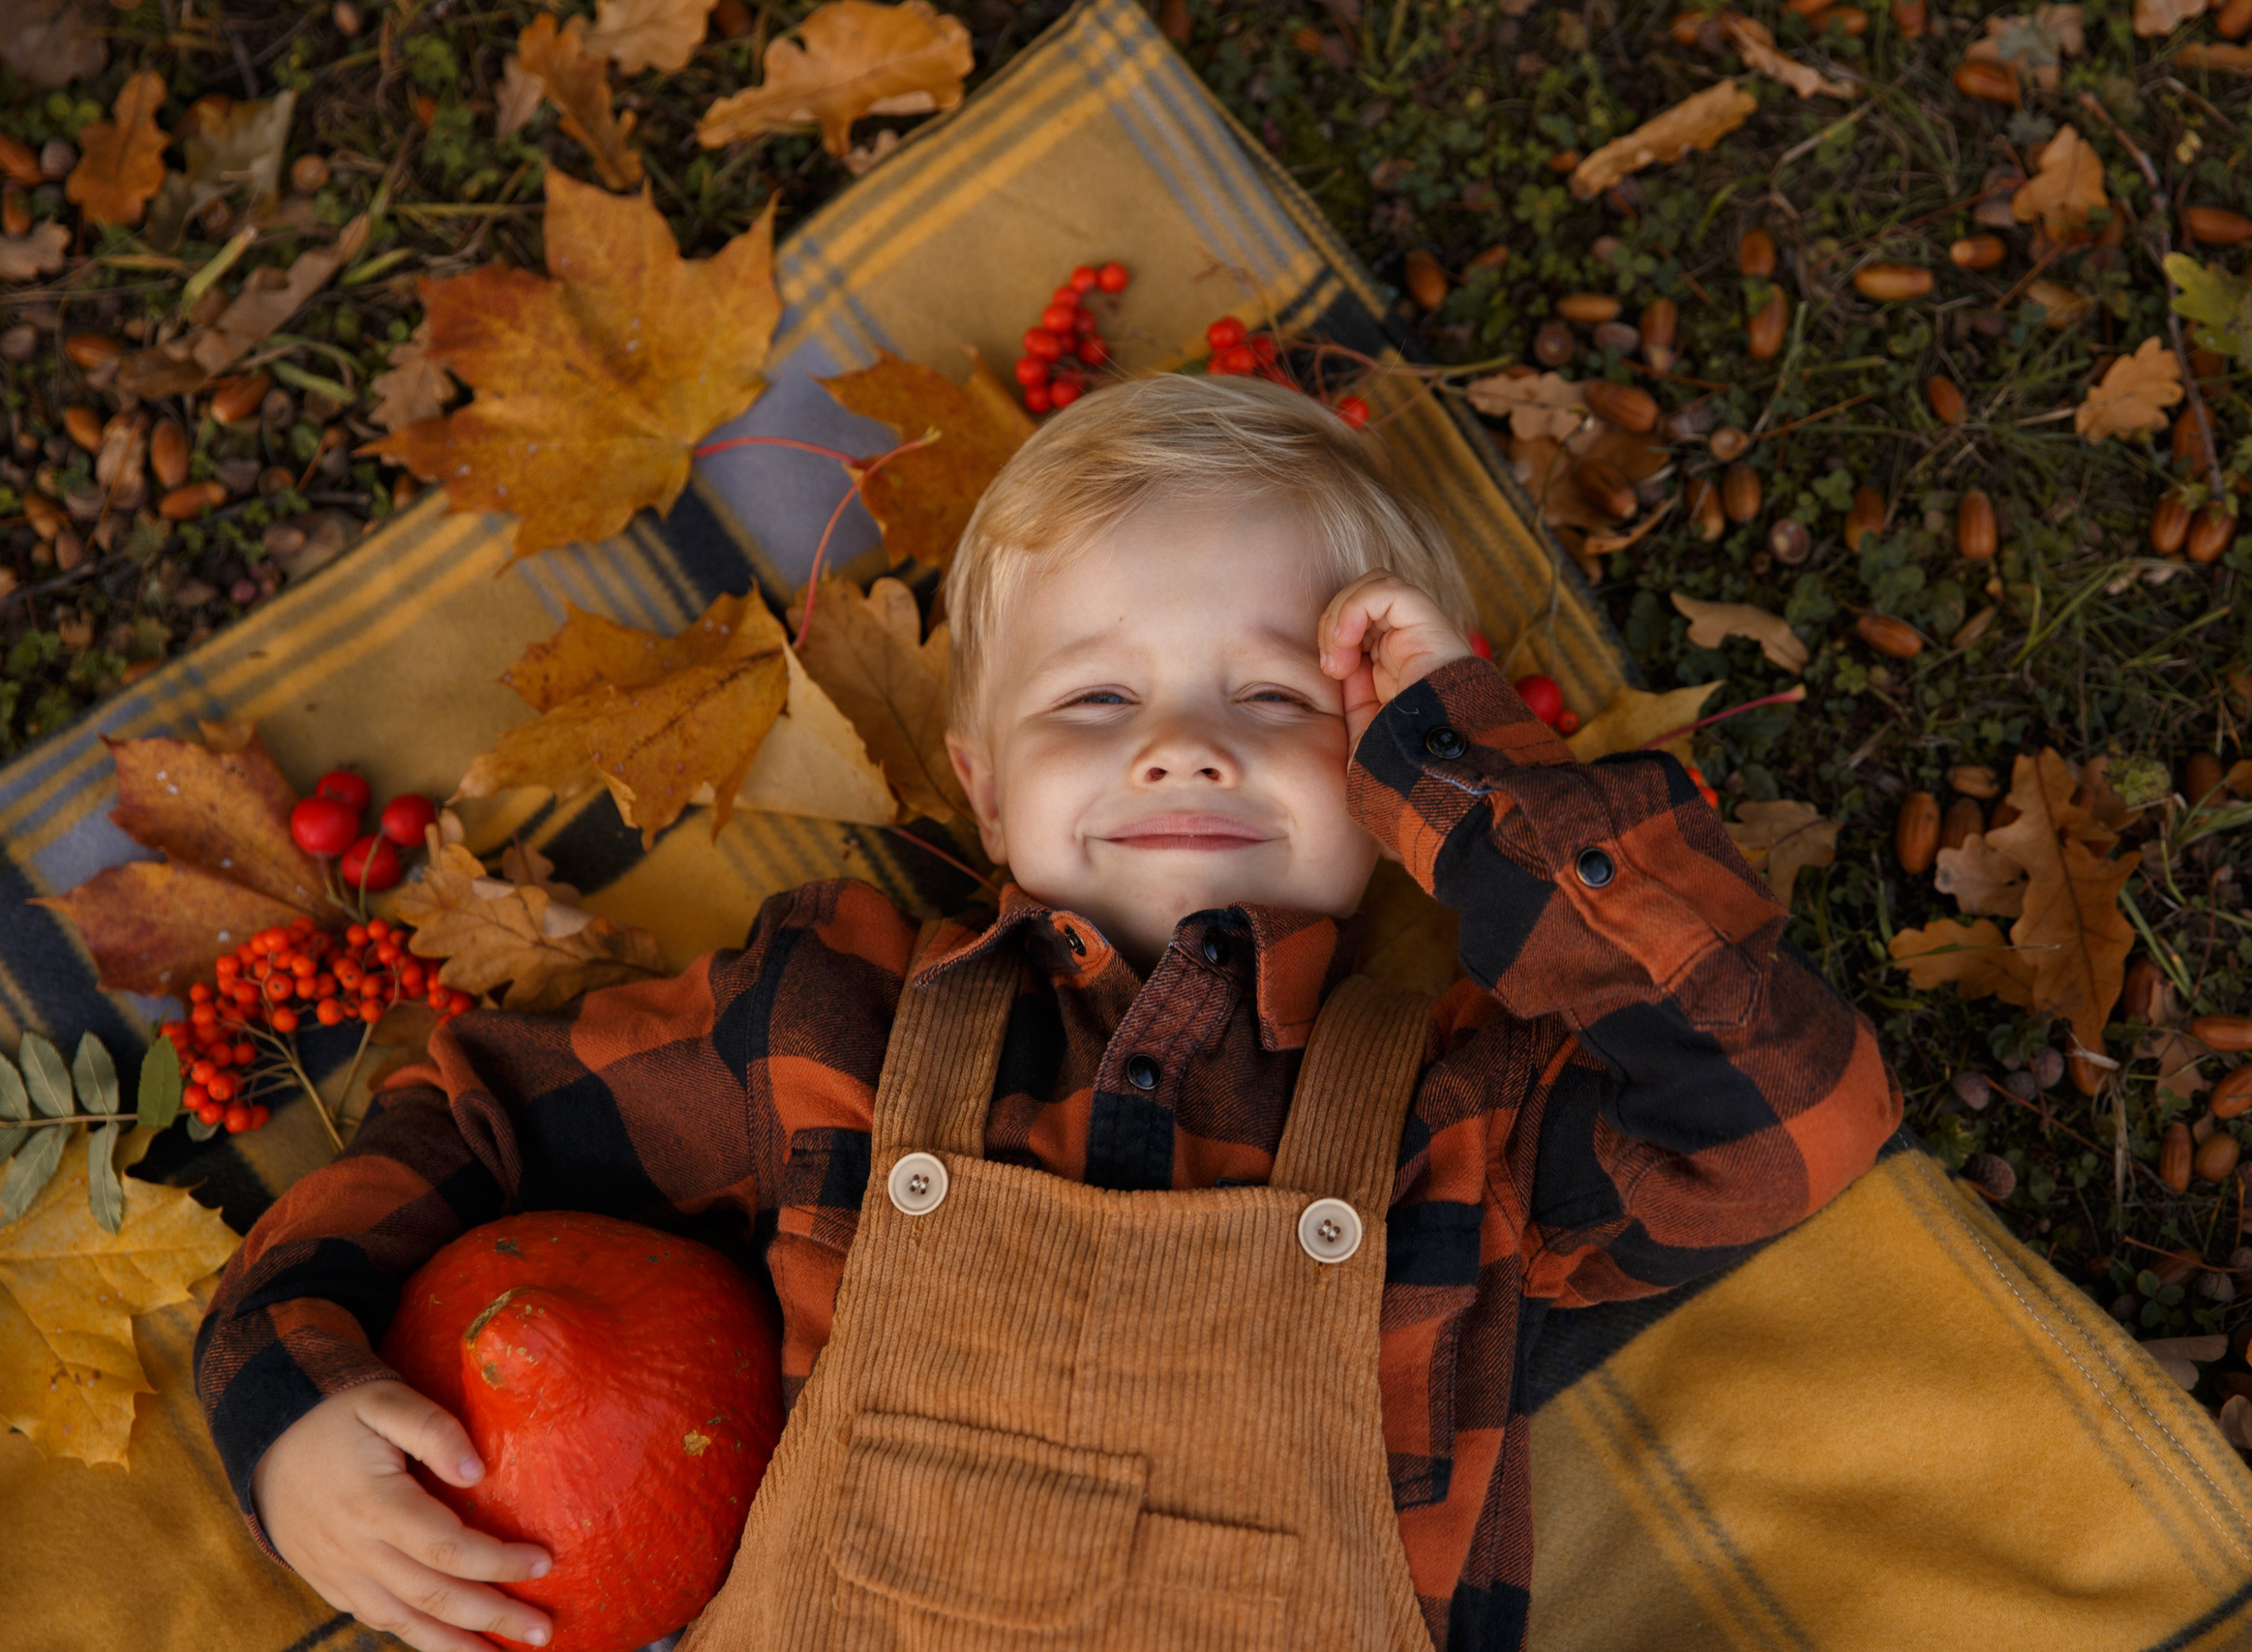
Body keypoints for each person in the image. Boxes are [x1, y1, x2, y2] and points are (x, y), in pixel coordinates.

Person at [197, 373, 1904, 1652]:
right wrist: (289, 1405)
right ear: (982, 789)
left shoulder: (1465, 1127)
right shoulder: (834, 1018)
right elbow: (474, 1121)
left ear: (1382, 772)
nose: (1183, 742)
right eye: (1097, 697)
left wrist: (1470, 785)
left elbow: (1790, 1116)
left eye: (1272, 694)